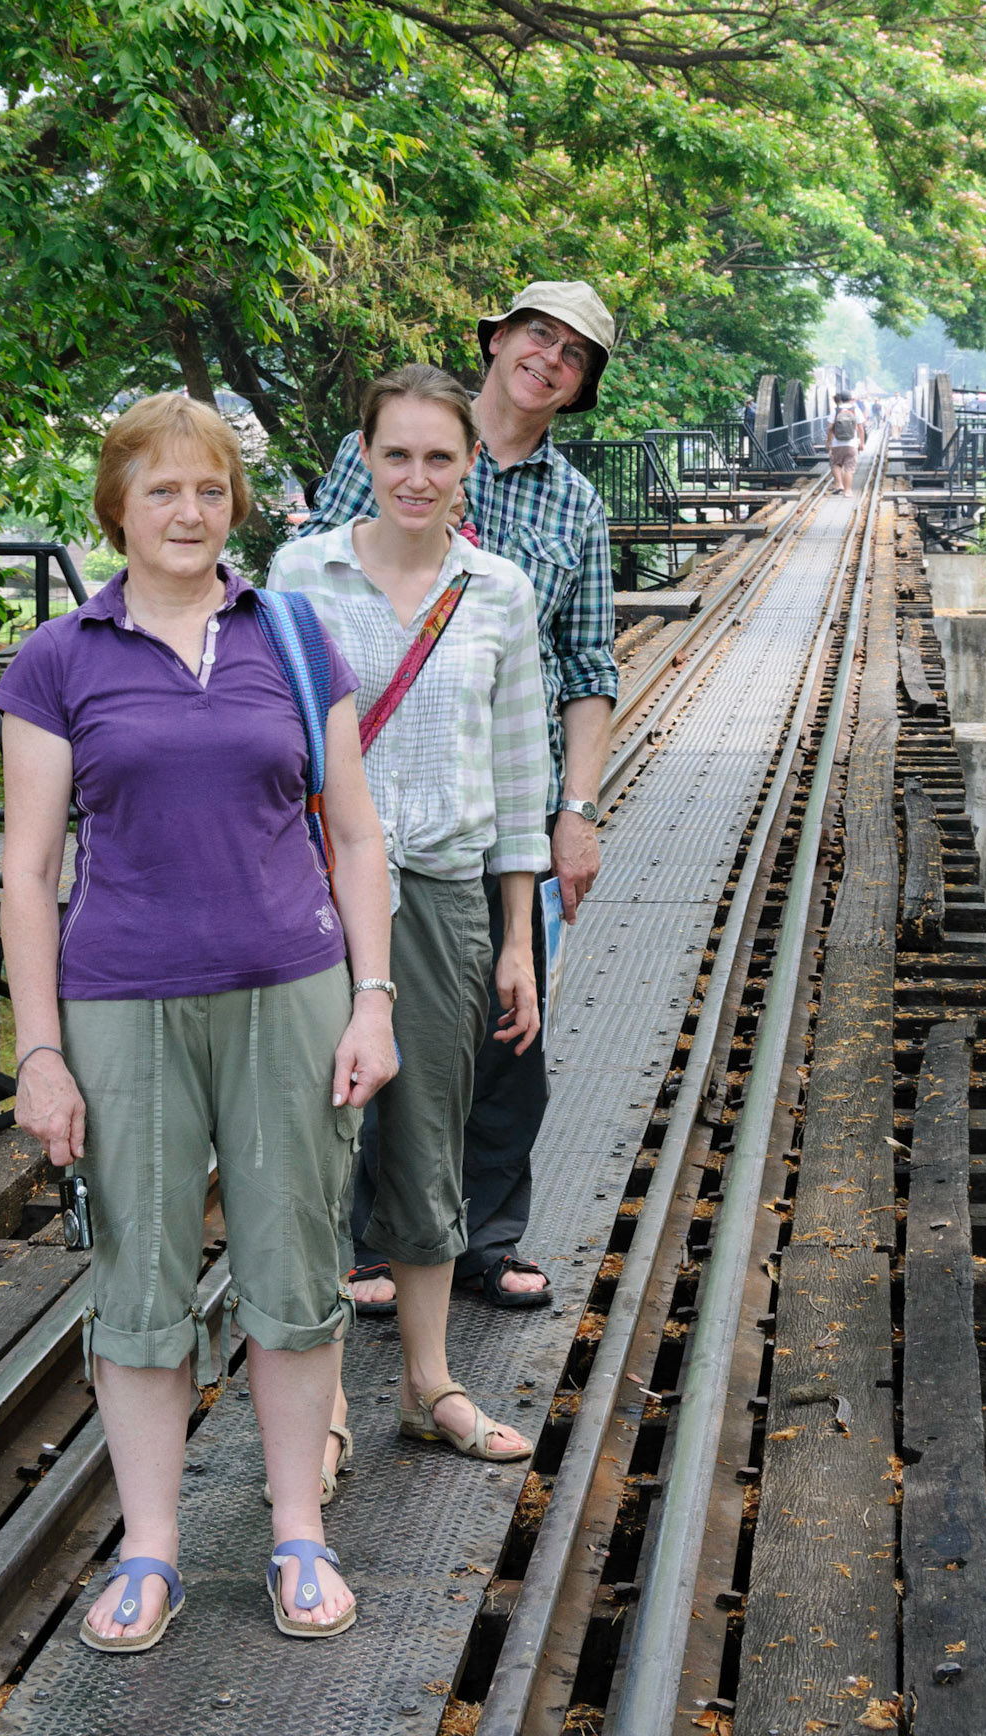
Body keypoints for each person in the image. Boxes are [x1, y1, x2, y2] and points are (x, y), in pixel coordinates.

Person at [0, 394, 396, 1650]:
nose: (188, 511)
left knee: (293, 1266)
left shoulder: (293, 634)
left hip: (291, 990)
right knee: (140, 1278)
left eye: (210, 489)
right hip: (122, 1003)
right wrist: (40, 1050)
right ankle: (151, 1548)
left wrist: (373, 998)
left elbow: (356, 836)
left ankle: (297, 1531)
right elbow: (27, 873)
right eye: (162, 488)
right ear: (117, 505)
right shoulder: (59, 658)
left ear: (236, 505)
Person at [302, 281, 619, 1315]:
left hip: (501, 794)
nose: (548, 358)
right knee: (360, 1005)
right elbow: (317, 606)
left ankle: (483, 1238)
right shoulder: (395, 443)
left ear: (579, 386)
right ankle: (368, 1238)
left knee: (504, 1029)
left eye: (573, 353)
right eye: (537, 333)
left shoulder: (573, 503)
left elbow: (586, 663)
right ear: (497, 339)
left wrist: (576, 809)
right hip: (369, 795)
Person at [271, 362, 550, 1461]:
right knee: (317, 1136)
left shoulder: (499, 591)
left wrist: (518, 939)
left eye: (440, 456)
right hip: (313, 888)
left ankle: (428, 1383)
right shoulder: (302, 574)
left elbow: (520, 774)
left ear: (471, 463)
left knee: (431, 1129)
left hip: (441, 889)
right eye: (397, 454)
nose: (417, 477)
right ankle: (325, 1399)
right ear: (365, 456)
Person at [827, 389, 866, 497]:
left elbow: (829, 428)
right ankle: (847, 491)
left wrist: (829, 442)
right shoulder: (855, 410)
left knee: (836, 464)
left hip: (837, 443)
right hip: (851, 444)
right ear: (850, 399)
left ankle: (839, 485)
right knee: (849, 467)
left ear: (840, 399)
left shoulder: (835, 411)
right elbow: (861, 428)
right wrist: (862, 443)